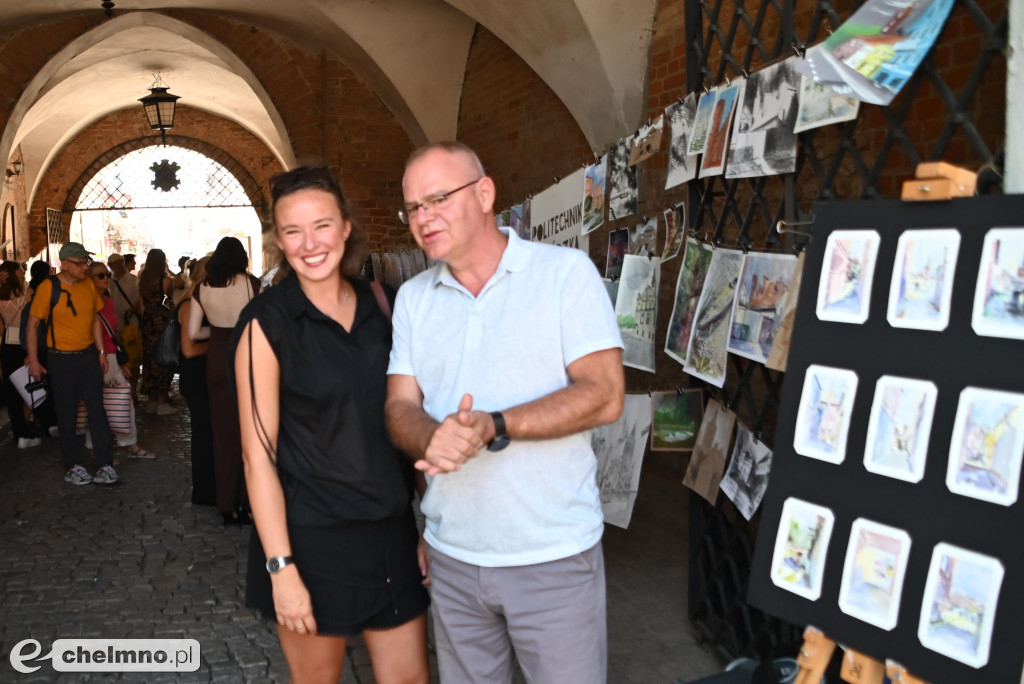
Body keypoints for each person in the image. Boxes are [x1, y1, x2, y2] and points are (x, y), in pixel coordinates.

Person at [385, 142, 625, 683]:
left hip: (551, 555)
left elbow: (605, 394)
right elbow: (400, 406)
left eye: (438, 198)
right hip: (453, 557)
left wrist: (494, 425)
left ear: (485, 193)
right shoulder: (414, 298)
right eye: (414, 208)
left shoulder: (564, 273)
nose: (424, 218)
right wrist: (430, 438)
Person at [230, 166, 430, 684]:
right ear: (278, 241)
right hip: (311, 539)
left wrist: (429, 527)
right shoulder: (266, 323)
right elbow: (258, 458)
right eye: (292, 231)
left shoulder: (384, 304)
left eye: (321, 225)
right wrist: (281, 568)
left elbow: (410, 424)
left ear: (345, 226)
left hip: (391, 532)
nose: (309, 244)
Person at [26, 243, 119, 485]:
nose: (85, 267)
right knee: (66, 415)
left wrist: (100, 351)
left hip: (88, 357)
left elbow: (95, 320)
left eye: (86, 262)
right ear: (64, 264)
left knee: (97, 412)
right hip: (60, 359)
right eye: (79, 263)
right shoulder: (48, 288)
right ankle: (73, 465)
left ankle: (104, 464)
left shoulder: (88, 285)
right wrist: (34, 360)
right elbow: (33, 325)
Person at [188, 237, 260, 524]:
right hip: (246, 358)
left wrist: (218, 332)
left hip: (217, 360)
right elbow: (262, 323)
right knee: (250, 433)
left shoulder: (201, 288)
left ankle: (225, 503)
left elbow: (194, 332)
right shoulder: (252, 285)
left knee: (223, 435)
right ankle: (247, 502)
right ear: (241, 257)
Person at [85, 261, 154, 459]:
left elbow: (113, 333)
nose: (106, 278)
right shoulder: (87, 303)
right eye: (100, 275)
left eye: (106, 274)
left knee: (121, 402)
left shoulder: (108, 302)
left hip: (113, 356)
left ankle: (128, 444)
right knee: (98, 405)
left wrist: (122, 362)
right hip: (99, 358)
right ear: (89, 279)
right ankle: (97, 448)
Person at [178, 256, 216, 506]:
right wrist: (221, 341)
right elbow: (190, 349)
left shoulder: (196, 299)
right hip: (197, 375)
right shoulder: (191, 303)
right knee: (203, 435)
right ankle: (204, 492)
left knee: (208, 434)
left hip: (203, 375)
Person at [0, 261, 40, 448]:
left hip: (7, 344)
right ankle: (30, 427)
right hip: (25, 344)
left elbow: (0, 328)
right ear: (14, 273)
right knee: (30, 386)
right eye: (20, 270)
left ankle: (20, 433)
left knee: (11, 391)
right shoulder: (28, 294)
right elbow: (34, 323)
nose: (23, 272)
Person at [137, 249, 178, 415]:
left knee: (150, 361)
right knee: (164, 360)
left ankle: (152, 401)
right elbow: (171, 299)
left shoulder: (142, 281)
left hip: (147, 325)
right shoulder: (166, 281)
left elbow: (141, 307)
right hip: (162, 324)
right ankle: (162, 402)